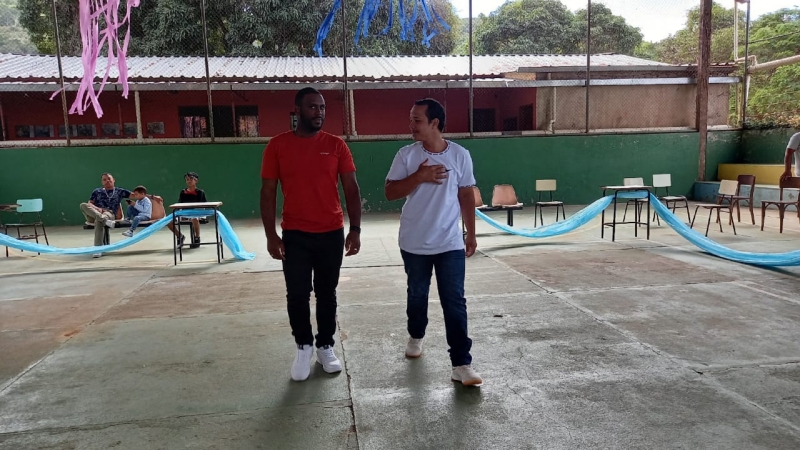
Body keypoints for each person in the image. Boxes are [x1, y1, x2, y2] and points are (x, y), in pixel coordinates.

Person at [260, 87, 363, 382]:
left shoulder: (336, 145)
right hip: (295, 235)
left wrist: (355, 229)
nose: (319, 112)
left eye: (322, 107)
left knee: (327, 293)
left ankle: (325, 346)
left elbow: (351, 189)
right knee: (297, 294)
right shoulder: (277, 146)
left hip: (331, 233)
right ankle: (303, 346)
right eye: (312, 107)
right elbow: (268, 192)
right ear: (298, 111)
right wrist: (271, 235)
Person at [384, 98, 483, 387]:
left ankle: (461, 364)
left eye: (417, 120)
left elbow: (466, 195)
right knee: (417, 295)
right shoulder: (406, 155)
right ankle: (416, 335)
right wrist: (419, 176)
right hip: (414, 242)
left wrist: (471, 233)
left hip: (449, 242)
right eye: (411, 119)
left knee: (454, 301)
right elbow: (390, 192)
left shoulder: (460, 155)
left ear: (435, 123)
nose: (411, 125)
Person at [80, 173, 132, 258]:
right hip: (94, 213)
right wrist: (97, 208)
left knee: (99, 221)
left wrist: (152, 197)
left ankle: (98, 249)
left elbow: (136, 195)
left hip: (108, 213)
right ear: (102, 182)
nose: (107, 181)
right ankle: (106, 221)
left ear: (113, 180)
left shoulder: (119, 191)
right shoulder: (97, 191)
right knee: (83, 205)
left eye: (109, 179)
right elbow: (90, 203)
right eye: (104, 179)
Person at [166, 172, 208, 248]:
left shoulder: (200, 192)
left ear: (196, 181)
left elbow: (202, 205)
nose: (189, 181)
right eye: (187, 179)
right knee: (168, 221)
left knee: (194, 218)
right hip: (184, 213)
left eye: (191, 179)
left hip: (197, 213)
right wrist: (182, 214)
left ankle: (197, 238)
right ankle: (180, 236)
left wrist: (193, 214)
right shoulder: (183, 192)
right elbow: (180, 204)